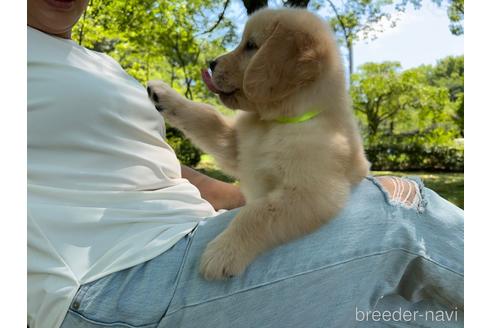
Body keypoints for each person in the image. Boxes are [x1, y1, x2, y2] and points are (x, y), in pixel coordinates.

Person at [27, 1, 464, 327]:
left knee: (409, 313)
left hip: (189, 242)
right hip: (115, 282)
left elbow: (159, 168)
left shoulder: (103, 66)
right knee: (404, 210)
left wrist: (263, 199)